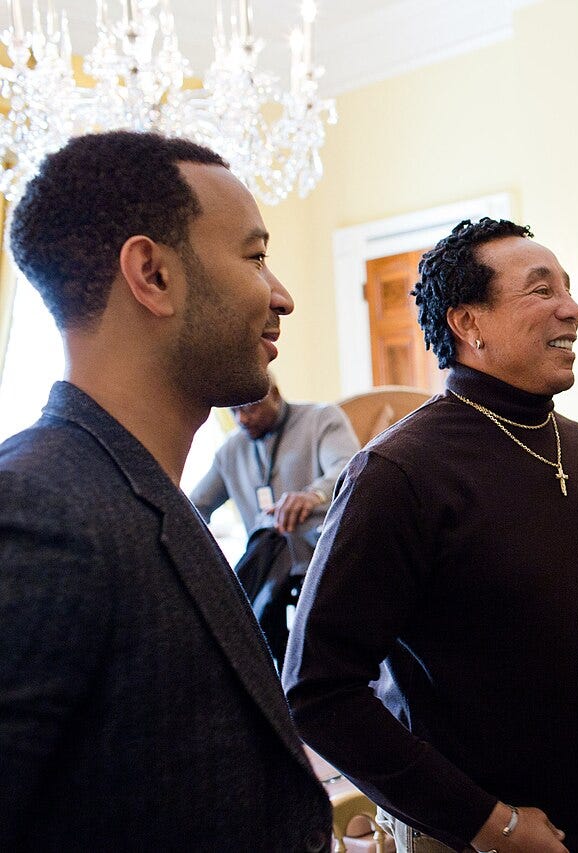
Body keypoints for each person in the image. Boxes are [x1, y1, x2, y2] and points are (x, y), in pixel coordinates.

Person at [283, 217, 578, 853]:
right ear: (468, 323)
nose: (572, 309)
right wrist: (490, 823)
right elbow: (318, 691)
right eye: (542, 290)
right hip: (471, 836)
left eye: (568, 288)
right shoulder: (399, 472)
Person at [0, 131, 331, 849]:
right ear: (152, 275)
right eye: (255, 256)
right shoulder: (38, 510)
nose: (282, 295)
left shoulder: (143, 493)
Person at [190, 375, 359, 659]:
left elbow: (347, 469)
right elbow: (195, 505)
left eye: (250, 408)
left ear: (275, 395)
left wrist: (313, 495)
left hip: (319, 552)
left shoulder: (321, 419)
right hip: (269, 562)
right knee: (268, 545)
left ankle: (235, 632)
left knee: (270, 549)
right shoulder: (230, 451)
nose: (242, 419)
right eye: (234, 411)